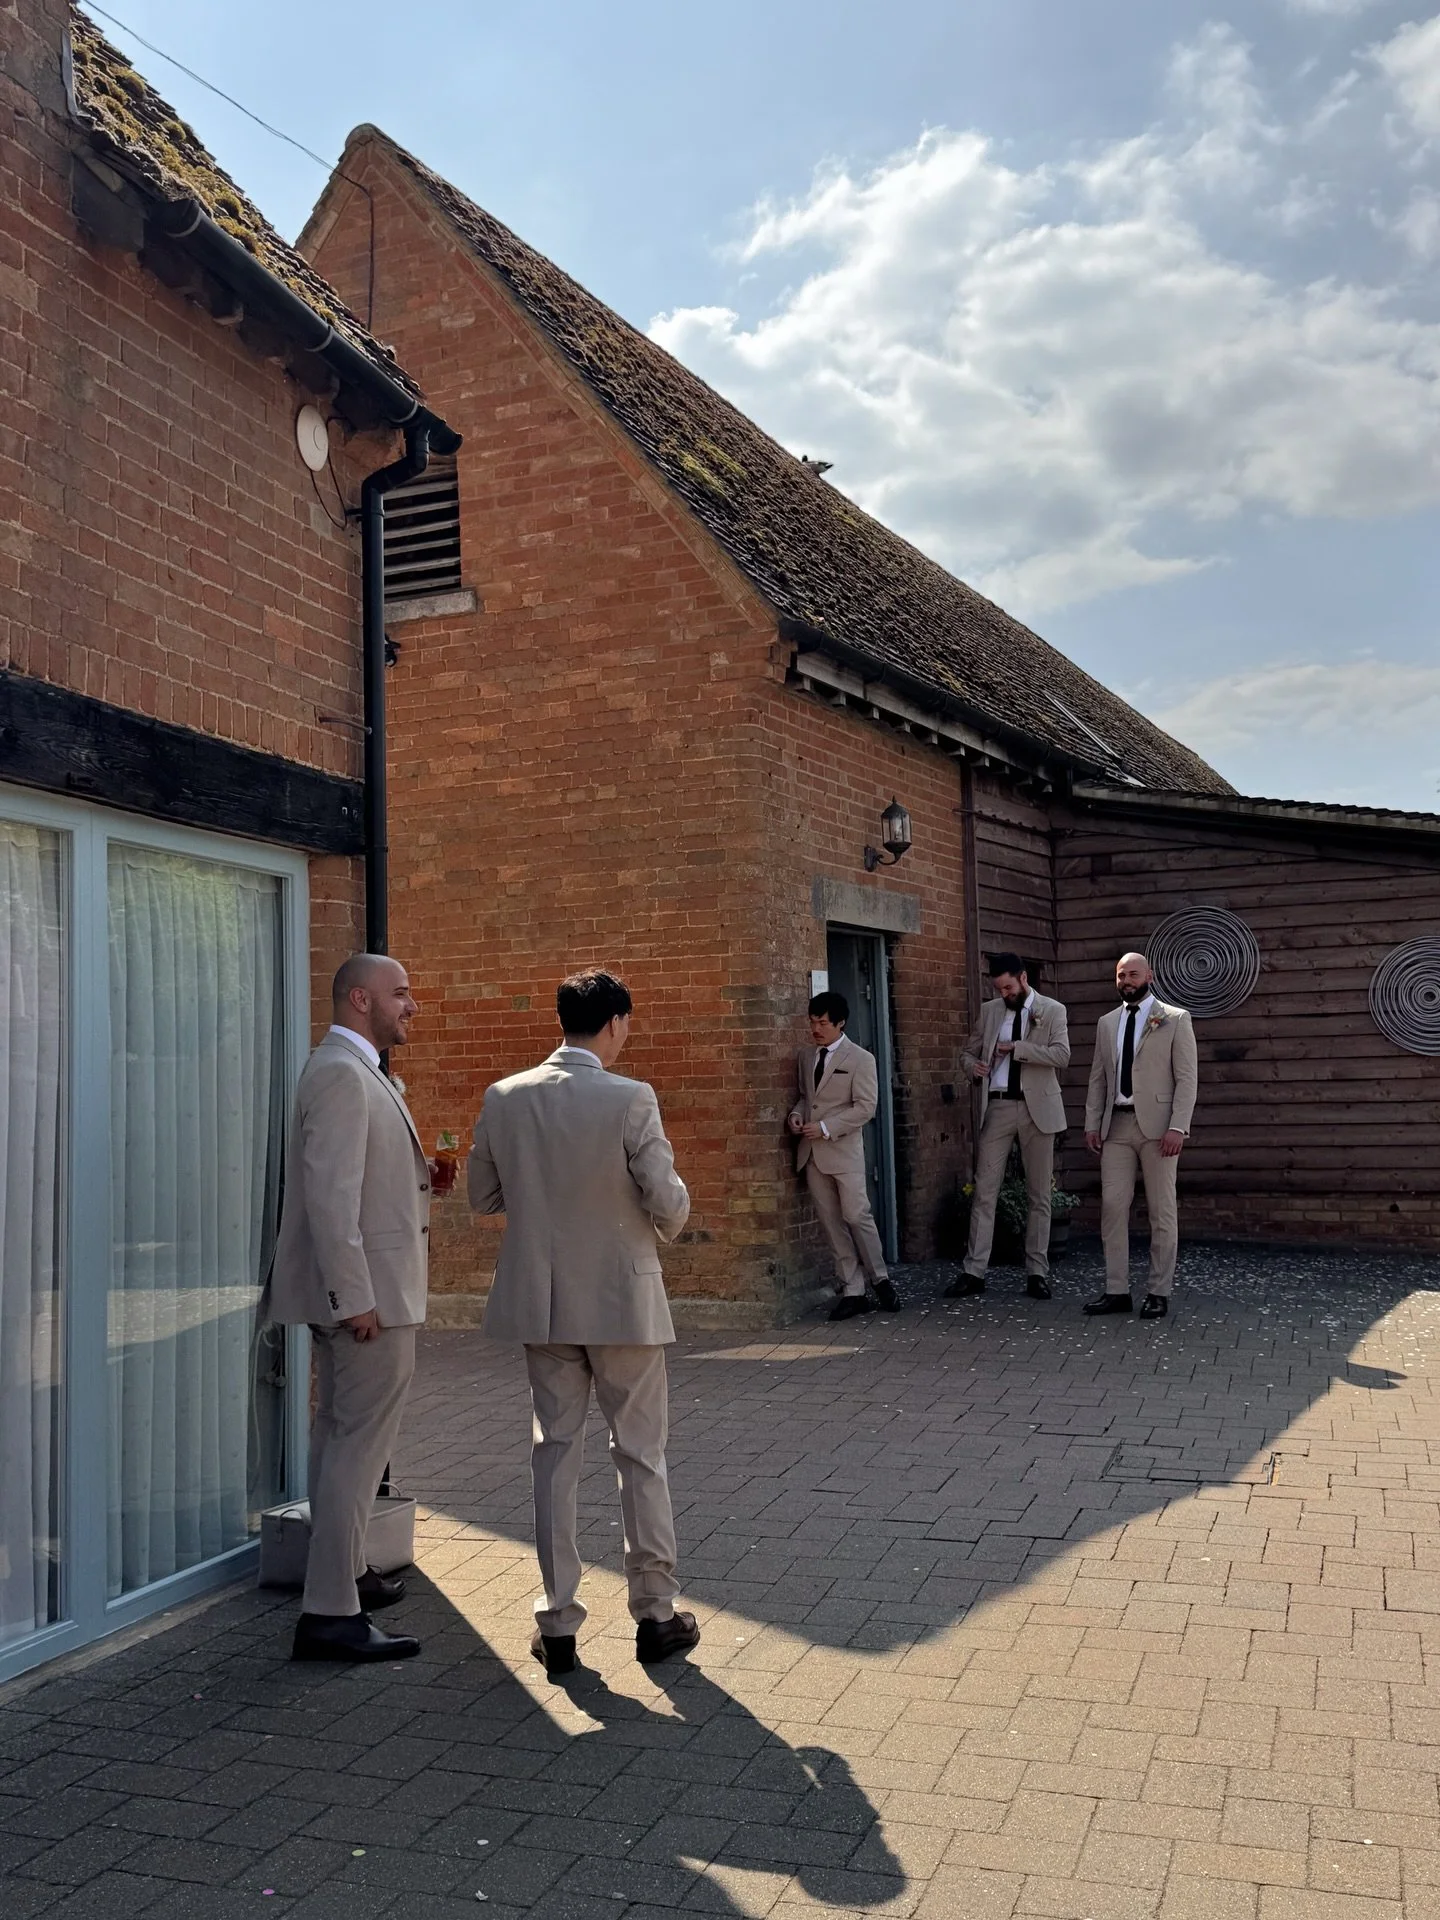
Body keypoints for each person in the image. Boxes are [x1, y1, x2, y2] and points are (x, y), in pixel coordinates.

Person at [468, 969, 698, 1678]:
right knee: (641, 1454)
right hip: (623, 1300)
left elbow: (482, 1195)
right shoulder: (630, 1097)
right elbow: (667, 1201)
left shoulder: (504, 1096)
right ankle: (655, 1613)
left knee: (554, 1455)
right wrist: (669, 1218)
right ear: (616, 1022)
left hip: (542, 1301)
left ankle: (558, 1621)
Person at [265, 953, 448, 1663]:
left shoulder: (354, 1069)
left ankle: (346, 1576)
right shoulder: (342, 1072)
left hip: (370, 1291)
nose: (412, 1005)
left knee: (338, 1437)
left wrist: (419, 1178)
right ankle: (330, 1614)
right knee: (357, 1449)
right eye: (400, 993)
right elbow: (328, 1197)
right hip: (370, 1300)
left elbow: (358, 1182)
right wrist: (354, 1297)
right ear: (360, 1000)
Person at [947, 952, 1070, 1302]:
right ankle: (974, 1271)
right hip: (998, 1106)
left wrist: (1018, 1048)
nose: (1004, 994)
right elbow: (967, 1053)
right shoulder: (990, 1012)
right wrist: (972, 1068)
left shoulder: (1052, 1010)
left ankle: (1037, 1273)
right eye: (999, 989)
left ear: (1023, 978)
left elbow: (1062, 1056)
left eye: (1008, 987)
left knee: (1039, 1195)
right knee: (984, 1191)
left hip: (1038, 1109)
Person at [1083, 950, 1198, 1319]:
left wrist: (1178, 1126)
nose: (1126, 981)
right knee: (1112, 1207)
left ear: (1149, 976)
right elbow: (1098, 1077)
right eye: (1121, 975)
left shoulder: (1175, 1019)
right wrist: (1091, 1122)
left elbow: (1187, 1078)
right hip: (1115, 1125)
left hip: (1160, 1129)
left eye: (1133, 974)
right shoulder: (1106, 1023)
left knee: (1162, 1210)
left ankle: (1158, 1292)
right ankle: (1116, 1290)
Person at [788, 991, 901, 1322]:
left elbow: (866, 1107)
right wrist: (796, 1116)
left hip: (844, 1152)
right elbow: (806, 1097)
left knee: (856, 1215)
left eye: (823, 1023)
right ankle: (853, 1290)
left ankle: (880, 1278)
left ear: (841, 1023)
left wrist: (826, 1127)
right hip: (812, 1154)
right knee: (831, 1223)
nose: (816, 1029)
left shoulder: (861, 1059)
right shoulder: (806, 1056)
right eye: (812, 1022)